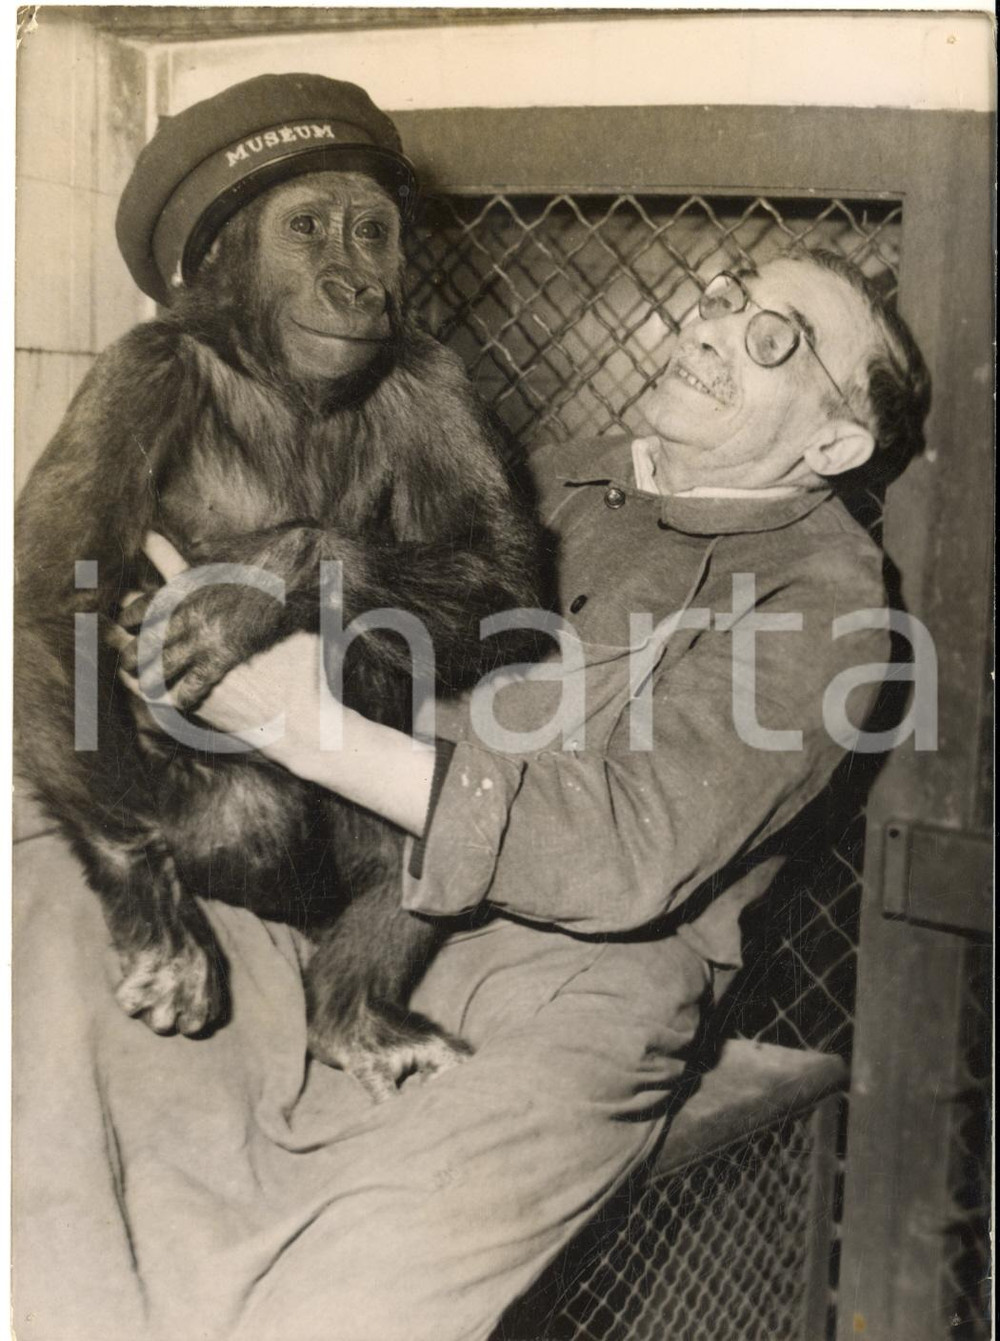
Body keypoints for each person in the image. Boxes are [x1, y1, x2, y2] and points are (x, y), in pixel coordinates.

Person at [12, 107, 929, 1341]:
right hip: (329, 886)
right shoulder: (563, 467)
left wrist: (299, 684)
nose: (711, 324)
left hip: (572, 978)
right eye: (721, 292)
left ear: (834, 438)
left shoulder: (829, 607)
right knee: (52, 999)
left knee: (357, 1287)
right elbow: (66, 603)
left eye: (772, 335)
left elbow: (622, 855)